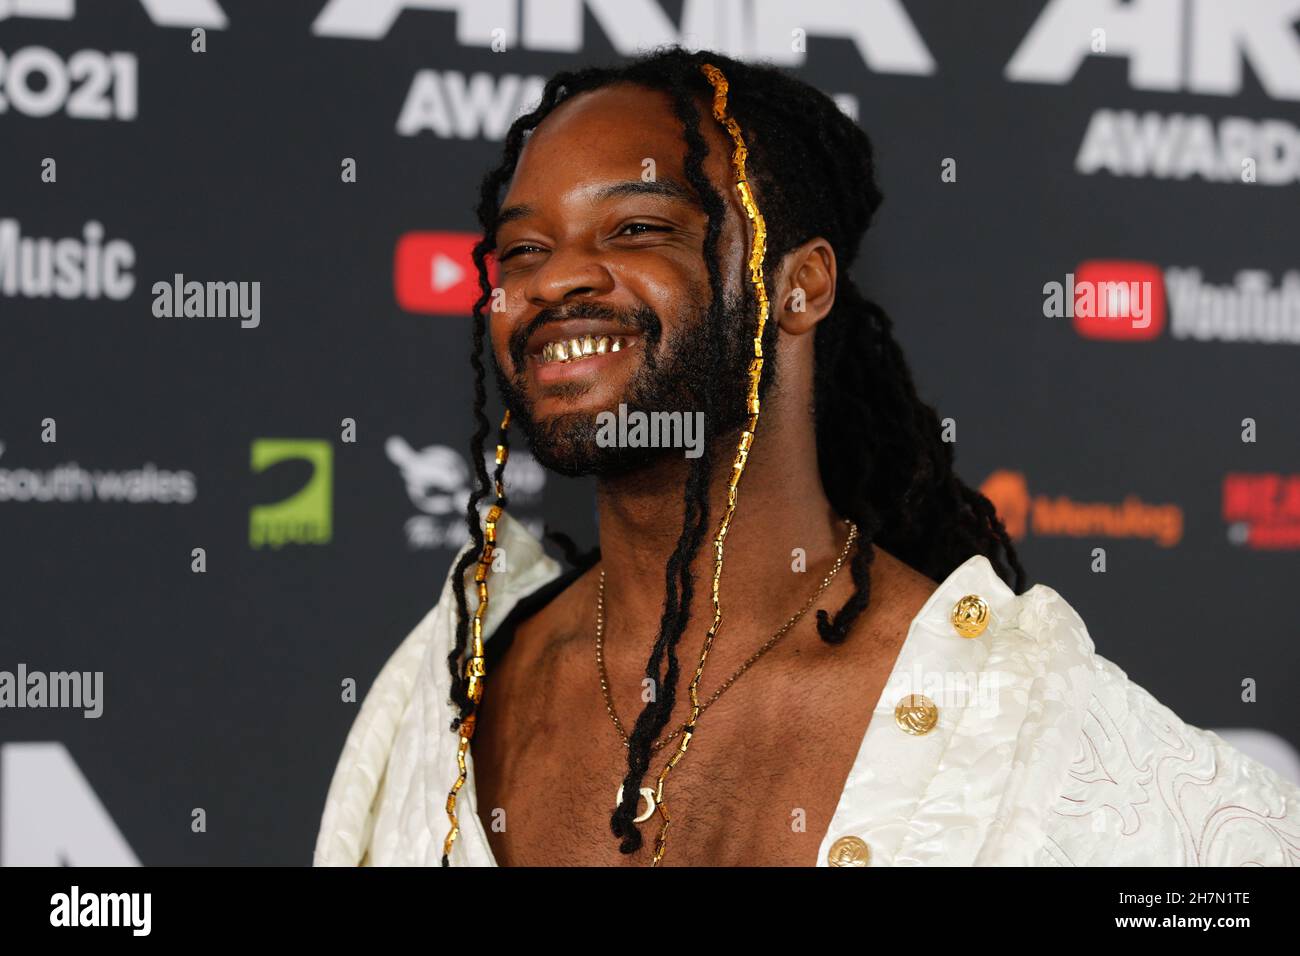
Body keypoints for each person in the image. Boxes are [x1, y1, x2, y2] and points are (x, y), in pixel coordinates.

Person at [314, 47, 1300, 867]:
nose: (558, 276)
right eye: (521, 249)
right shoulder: (445, 690)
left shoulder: (1026, 724)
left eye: (637, 227)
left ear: (800, 286)